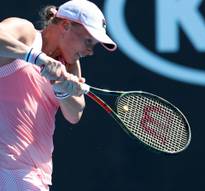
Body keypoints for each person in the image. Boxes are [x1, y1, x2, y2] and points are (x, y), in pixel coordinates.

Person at [0, 0, 117, 190]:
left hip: (32, 175)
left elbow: (74, 114)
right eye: (88, 41)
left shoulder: (70, 66)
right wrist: (37, 57)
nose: (90, 51)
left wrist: (62, 88)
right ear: (65, 25)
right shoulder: (25, 33)